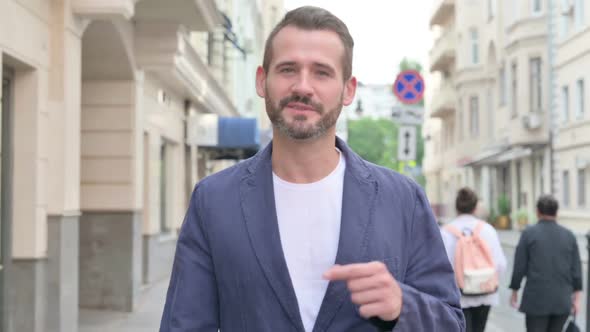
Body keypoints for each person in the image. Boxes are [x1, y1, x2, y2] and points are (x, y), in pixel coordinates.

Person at [159, 6, 464, 332]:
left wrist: (402, 305)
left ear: (348, 90)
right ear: (262, 81)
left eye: (322, 72)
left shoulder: (401, 199)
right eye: (288, 69)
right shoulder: (215, 200)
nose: (303, 86)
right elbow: (184, 324)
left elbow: (452, 323)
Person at [509, 194, 583, 332]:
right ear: (556, 212)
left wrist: (514, 290)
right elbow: (576, 271)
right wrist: (577, 300)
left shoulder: (529, 234)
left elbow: (519, 267)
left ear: (537, 212)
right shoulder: (569, 235)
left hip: (536, 301)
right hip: (562, 301)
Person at [441, 188, 507, 332]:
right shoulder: (488, 230)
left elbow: (439, 268)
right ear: (476, 207)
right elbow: (501, 264)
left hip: (457, 296)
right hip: (485, 293)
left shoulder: (445, 232)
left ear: (456, 207)